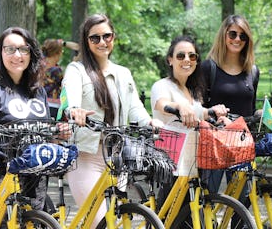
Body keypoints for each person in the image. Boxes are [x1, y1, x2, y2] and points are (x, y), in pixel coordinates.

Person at [62, 14, 162, 221]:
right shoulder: (77, 70)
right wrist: (74, 110)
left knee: (115, 220)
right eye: (95, 38)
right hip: (86, 156)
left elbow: (135, 106)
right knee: (98, 222)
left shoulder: (123, 73)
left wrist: (150, 122)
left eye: (106, 36)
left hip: (116, 157)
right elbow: (69, 98)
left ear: (113, 37)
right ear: (86, 41)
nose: (102, 42)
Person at [0, 27, 71, 227]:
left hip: (35, 174)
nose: (17, 55)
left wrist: (58, 133)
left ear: (31, 54)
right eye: (10, 49)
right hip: (0, 176)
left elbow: (42, 129)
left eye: (23, 50)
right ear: (0, 53)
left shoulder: (37, 91)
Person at [195, 15, 272, 191]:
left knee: (242, 200)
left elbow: (250, 113)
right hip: (214, 142)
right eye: (233, 34)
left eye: (242, 36)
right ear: (224, 35)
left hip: (241, 142)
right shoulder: (208, 67)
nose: (237, 39)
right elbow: (199, 107)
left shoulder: (252, 72)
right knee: (208, 197)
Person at [150, 36, 227, 175]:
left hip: (193, 163)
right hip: (170, 164)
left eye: (192, 56)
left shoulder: (193, 90)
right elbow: (163, 105)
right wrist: (179, 106)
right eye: (180, 55)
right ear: (170, 60)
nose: (187, 59)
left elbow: (198, 112)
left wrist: (212, 111)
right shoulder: (161, 85)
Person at [40, 38, 77, 119]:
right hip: (53, 106)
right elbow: (66, 85)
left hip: (40, 104)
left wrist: (59, 43)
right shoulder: (56, 70)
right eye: (61, 51)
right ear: (57, 53)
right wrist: (74, 62)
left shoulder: (39, 64)